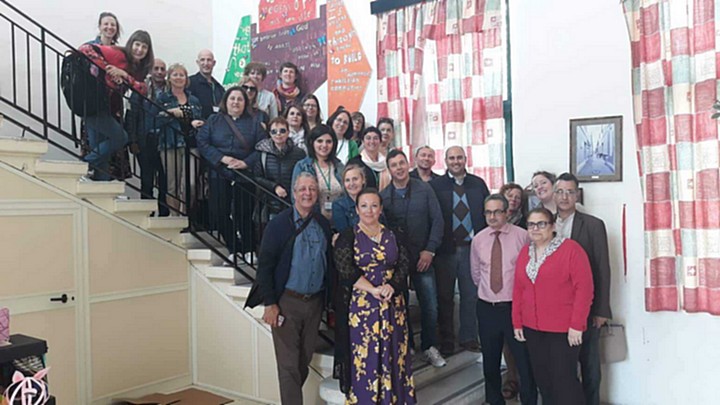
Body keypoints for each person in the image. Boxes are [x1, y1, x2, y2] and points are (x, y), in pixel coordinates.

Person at [245, 173, 334, 405]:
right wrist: (270, 303)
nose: (307, 193)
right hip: (286, 303)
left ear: (317, 194)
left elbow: (330, 263)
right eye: (303, 189)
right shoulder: (278, 225)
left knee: (301, 363)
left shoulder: (323, 224)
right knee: (288, 365)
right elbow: (265, 266)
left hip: (314, 303)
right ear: (294, 193)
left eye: (312, 189)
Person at [333, 188, 416, 403]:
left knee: (394, 354)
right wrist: (373, 289)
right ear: (357, 209)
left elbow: (404, 264)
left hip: (392, 304)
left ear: (380, 209)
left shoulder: (394, 234)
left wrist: (393, 286)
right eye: (364, 206)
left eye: (374, 205)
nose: (369, 210)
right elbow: (346, 270)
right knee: (366, 357)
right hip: (363, 305)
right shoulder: (347, 236)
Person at [512, 207, 594, 405]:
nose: (536, 228)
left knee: (564, 382)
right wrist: (517, 322)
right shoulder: (525, 252)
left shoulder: (571, 249)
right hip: (533, 328)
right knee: (543, 381)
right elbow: (518, 289)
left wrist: (577, 324)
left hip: (563, 329)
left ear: (553, 226)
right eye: (531, 224)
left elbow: (584, 289)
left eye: (542, 224)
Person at [381, 150, 446, 368]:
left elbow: (437, 220)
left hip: (423, 257)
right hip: (397, 261)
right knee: (401, 306)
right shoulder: (383, 196)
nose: (399, 168)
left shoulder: (424, 189)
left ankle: (429, 346)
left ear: (408, 164)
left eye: (401, 163)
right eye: (394, 165)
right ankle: (405, 346)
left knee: (430, 305)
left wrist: (430, 250)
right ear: (389, 170)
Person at [470, 194, 537, 405]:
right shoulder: (478, 239)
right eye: (488, 212)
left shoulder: (522, 236)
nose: (492, 216)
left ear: (506, 212)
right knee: (490, 361)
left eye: (497, 211)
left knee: (524, 361)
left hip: (514, 307)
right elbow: (476, 273)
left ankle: (529, 400)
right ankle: (494, 400)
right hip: (487, 307)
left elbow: (531, 270)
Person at [553, 172, 612, 405]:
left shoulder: (594, 225)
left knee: (589, 366)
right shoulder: (543, 223)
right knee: (561, 368)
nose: (565, 196)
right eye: (560, 191)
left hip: (586, 309)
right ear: (554, 195)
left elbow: (602, 269)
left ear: (577, 195)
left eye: (570, 192)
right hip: (556, 310)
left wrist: (601, 310)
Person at [430, 146, 490, 355]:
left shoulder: (478, 184)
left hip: (472, 249)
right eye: (451, 158)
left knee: (470, 295)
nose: (456, 161)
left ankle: (469, 338)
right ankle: (447, 340)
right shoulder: (435, 186)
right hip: (445, 250)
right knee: (445, 297)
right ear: (445, 161)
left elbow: (487, 214)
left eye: (459, 158)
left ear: (466, 159)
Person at [197, 86, 265, 256]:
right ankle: (234, 247)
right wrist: (222, 158)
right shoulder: (213, 120)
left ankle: (249, 249)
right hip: (219, 172)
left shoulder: (255, 123)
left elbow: (263, 146)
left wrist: (245, 162)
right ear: (225, 101)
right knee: (219, 211)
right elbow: (202, 142)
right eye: (232, 99)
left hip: (244, 174)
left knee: (244, 213)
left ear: (245, 103)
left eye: (240, 99)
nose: (235, 102)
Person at [78, 30, 153, 181]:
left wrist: (124, 76)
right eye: (137, 44)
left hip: (107, 109)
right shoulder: (118, 54)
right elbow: (84, 49)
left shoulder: (138, 68)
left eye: (144, 47)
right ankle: (84, 166)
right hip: (92, 104)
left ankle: (102, 195)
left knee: (102, 154)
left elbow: (142, 89)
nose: (139, 49)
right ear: (131, 44)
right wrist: (107, 69)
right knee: (120, 137)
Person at [151, 63, 204, 215]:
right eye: (175, 74)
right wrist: (176, 113)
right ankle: (176, 218)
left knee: (191, 184)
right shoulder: (163, 98)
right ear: (169, 78)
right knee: (172, 185)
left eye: (182, 75)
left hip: (192, 144)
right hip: (169, 144)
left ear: (186, 79)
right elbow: (156, 120)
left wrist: (178, 112)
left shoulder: (193, 99)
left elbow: (198, 117)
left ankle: (186, 214)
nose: (178, 78)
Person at [254, 117, 306, 220]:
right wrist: (274, 187)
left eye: (282, 131)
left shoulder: (299, 153)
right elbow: (257, 177)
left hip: (293, 202)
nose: (278, 134)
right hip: (269, 204)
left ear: (288, 132)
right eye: (274, 131)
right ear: (269, 134)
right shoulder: (262, 153)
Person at [291, 124, 344, 222]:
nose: (324, 145)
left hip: (339, 222)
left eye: (328, 141)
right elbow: (295, 198)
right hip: (312, 222)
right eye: (320, 141)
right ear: (312, 142)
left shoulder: (339, 166)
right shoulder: (302, 166)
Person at [188, 49, 225, 119]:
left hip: (216, 126)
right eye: (202, 60)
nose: (206, 63)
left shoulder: (219, 88)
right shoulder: (189, 83)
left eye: (209, 60)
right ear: (197, 62)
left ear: (214, 63)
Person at [332, 164, 365, 233]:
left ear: (363, 180)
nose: (351, 183)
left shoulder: (374, 200)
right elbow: (344, 233)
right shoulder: (338, 205)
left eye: (355, 179)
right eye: (347, 180)